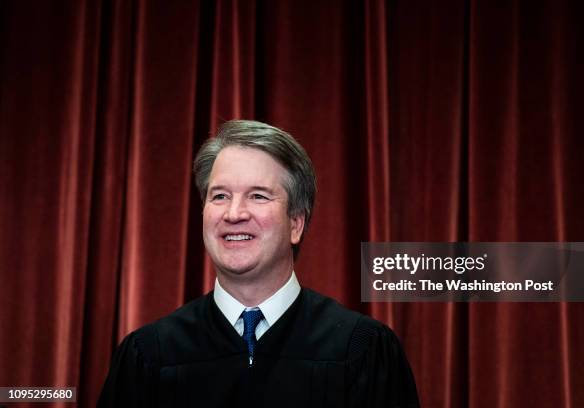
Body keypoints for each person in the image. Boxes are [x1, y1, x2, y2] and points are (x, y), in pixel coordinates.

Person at [98, 120, 419, 407]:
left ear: (296, 223)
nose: (234, 213)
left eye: (258, 196)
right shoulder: (150, 354)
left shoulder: (362, 349)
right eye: (219, 196)